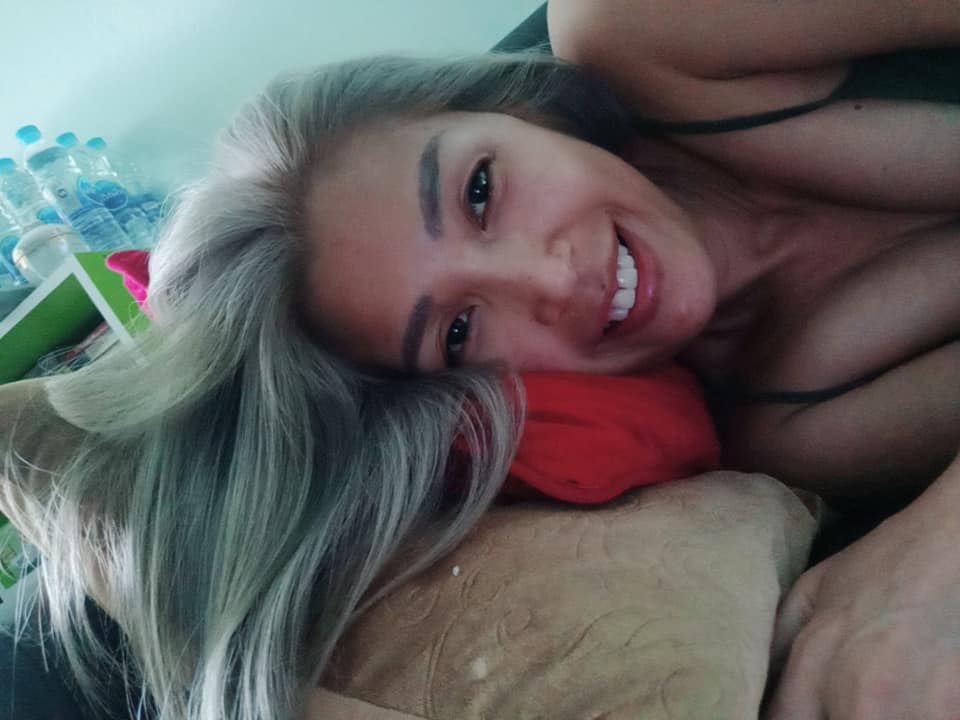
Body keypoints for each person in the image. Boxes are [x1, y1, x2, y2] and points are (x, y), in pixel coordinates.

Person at [0, 2, 957, 718]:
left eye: (481, 190)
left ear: (515, 109)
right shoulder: (801, 421)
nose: (551, 279)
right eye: (458, 331)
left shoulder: (647, 31)